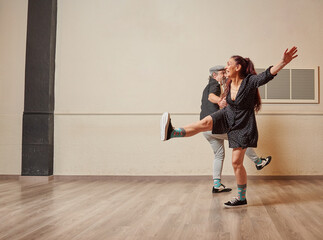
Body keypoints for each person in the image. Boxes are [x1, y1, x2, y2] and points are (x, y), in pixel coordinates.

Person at [160, 46, 298, 208]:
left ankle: (241, 197)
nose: (226, 67)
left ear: (237, 67)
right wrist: (220, 99)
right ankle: (172, 132)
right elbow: (214, 86)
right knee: (204, 123)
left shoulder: (249, 82)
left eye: (228, 63)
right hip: (227, 115)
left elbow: (267, 75)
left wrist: (282, 62)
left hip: (243, 124)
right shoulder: (228, 81)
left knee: (236, 163)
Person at [201, 65, 271, 194]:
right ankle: (259, 162)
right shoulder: (214, 84)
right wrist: (220, 101)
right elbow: (211, 97)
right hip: (213, 125)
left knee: (218, 155)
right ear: (214, 75)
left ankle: (217, 184)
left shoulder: (210, 86)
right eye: (222, 73)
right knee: (240, 139)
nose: (225, 75)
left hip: (206, 130)